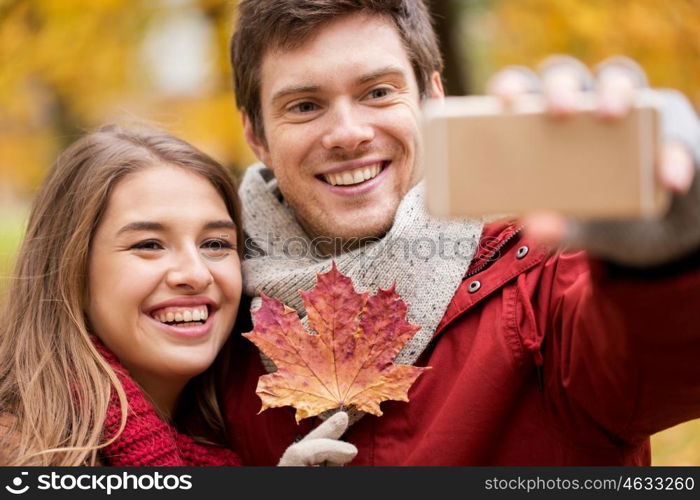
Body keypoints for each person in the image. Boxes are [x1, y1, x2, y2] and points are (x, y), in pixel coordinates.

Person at [224, 0, 700, 465]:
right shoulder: (209, 323)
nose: (348, 134)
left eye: (378, 92)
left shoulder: (545, 286)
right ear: (256, 135)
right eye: (305, 105)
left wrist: (668, 263)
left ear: (433, 97)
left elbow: (666, 362)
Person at [0, 125, 357, 466]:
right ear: (71, 270)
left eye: (215, 244)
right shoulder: (19, 448)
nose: (196, 274)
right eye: (149, 245)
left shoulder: (232, 435)